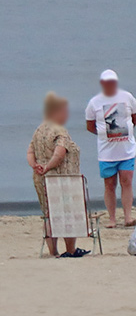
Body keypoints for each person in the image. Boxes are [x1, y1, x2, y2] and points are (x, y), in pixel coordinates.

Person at [28, 92, 89, 258]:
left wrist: (36, 166)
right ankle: (70, 249)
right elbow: (59, 153)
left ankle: (53, 251)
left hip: (41, 179)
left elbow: (30, 152)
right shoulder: (59, 130)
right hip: (61, 179)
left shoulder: (39, 130)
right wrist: (48, 167)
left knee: (48, 213)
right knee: (66, 213)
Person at [86, 69, 136, 228]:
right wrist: (104, 134)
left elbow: (135, 118)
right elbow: (90, 125)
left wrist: (125, 132)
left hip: (126, 150)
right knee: (109, 184)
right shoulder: (94, 102)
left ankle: (128, 217)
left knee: (126, 181)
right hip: (106, 152)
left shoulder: (127, 97)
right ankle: (112, 218)